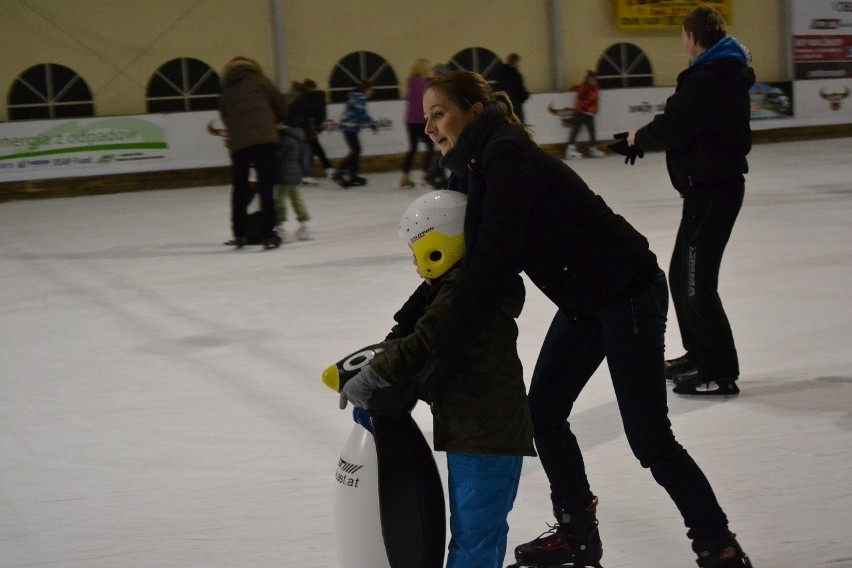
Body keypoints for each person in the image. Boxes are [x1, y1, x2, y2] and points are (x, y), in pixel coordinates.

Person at [419, 70, 753, 568]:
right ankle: (577, 534)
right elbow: (461, 265)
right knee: (545, 415)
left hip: (628, 292)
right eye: (426, 117)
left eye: (439, 112)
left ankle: (717, 544)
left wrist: (436, 349)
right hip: (586, 301)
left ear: (473, 109)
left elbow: (491, 268)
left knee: (649, 437)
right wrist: (415, 330)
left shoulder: (505, 157)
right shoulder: (474, 166)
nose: (429, 127)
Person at [339, 190, 536, 568]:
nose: (414, 263)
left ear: (440, 247)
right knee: (481, 534)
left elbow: (426, 342)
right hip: (481, 431)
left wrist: (374, 376)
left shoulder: (462, 294)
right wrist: (381, 356)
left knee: (475, 539)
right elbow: (414, 331)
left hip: (486, 436)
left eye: (418, 251)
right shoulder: (459, 287)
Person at [616, 6, 754, 398]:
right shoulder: (716, 74)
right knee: (683, 275)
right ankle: (699, 354)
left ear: (692, 38)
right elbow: (684, 124)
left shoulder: (711, 78)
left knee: (696, 283)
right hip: (704, 191)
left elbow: (675, 124)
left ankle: (720, 370)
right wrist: (640, 139)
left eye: (683, 39)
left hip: (713, 190)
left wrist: (636, 139)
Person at [218, 56, 286, 249]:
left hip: (239, 145)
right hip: (264, 140)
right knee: (266, 187)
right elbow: (281, 105)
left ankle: (239, 234)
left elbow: (225, 117)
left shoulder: (226, 90)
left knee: (240, 188)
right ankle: (268, 234)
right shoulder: (260, 80)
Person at [333, 81, 377, 188]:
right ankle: (339, 173)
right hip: (349, 128)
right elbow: (360, 113)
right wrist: (371, 123)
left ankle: (352, 175)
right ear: (366, 90)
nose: (371, 94)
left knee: (356, 150)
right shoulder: (359, 98)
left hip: (349, 127)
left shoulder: (355, 96)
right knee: (356, 150)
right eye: (371, 91)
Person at [400, 59, 435, 188]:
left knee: (413, 148)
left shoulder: (411, 83)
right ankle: (426, 174)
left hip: (410, 121)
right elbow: (424, 103)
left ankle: (405, 175)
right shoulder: (422, 85)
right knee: (430, 146)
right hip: (420, 120)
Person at [274, 124, 312, 241]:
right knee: (296, 198)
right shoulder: (296, 137)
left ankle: (280, 226)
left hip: (283, 173)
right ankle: (304, 223)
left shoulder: (284, 139)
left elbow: (278, 155)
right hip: (294, 172)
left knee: (280, 200)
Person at [565, 70, 604, 159]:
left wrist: (593, 110)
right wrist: (587, 107)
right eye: (590, 79)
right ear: (587, 80)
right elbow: (582, 100)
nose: (592, 81)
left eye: (593, 79)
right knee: (576, 130)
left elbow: (595, 100)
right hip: (581, 113)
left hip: (590, 113)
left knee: (592, 132)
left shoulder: (596, 88)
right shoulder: (583, 88)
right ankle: (570, 149)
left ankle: (592, 148)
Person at [301, 79, 334, 179]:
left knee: (311, 149)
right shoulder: (319, 98)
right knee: (314, 148)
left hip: (309, 127)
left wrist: (312, 123)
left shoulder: (310, 99)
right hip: (312, 127)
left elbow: (311, 112)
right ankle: (327, 168)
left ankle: (307, 173)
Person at [493, 53, 530, 124]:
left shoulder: (499, 73)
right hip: (515, 106)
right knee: (517, 126)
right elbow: (521, 91)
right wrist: (526, 95)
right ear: (516, 61)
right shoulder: (515, 74)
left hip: (502, 105)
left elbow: (496, 89)